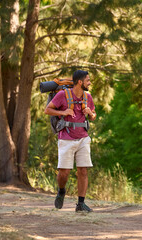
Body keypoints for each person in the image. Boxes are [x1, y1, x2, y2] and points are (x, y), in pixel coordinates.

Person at [44, 70, 97, 212]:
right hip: (66, 139)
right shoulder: (63, 95)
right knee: (64, 172)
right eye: (88, 80)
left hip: (83, 138)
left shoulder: (88, 97)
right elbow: (47, 110)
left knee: (83, 170)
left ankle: (81, 204)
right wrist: (63, 112)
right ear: (80, 82)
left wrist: (90, 113)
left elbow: (93, 115)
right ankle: (61, 190)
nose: (89, 83)